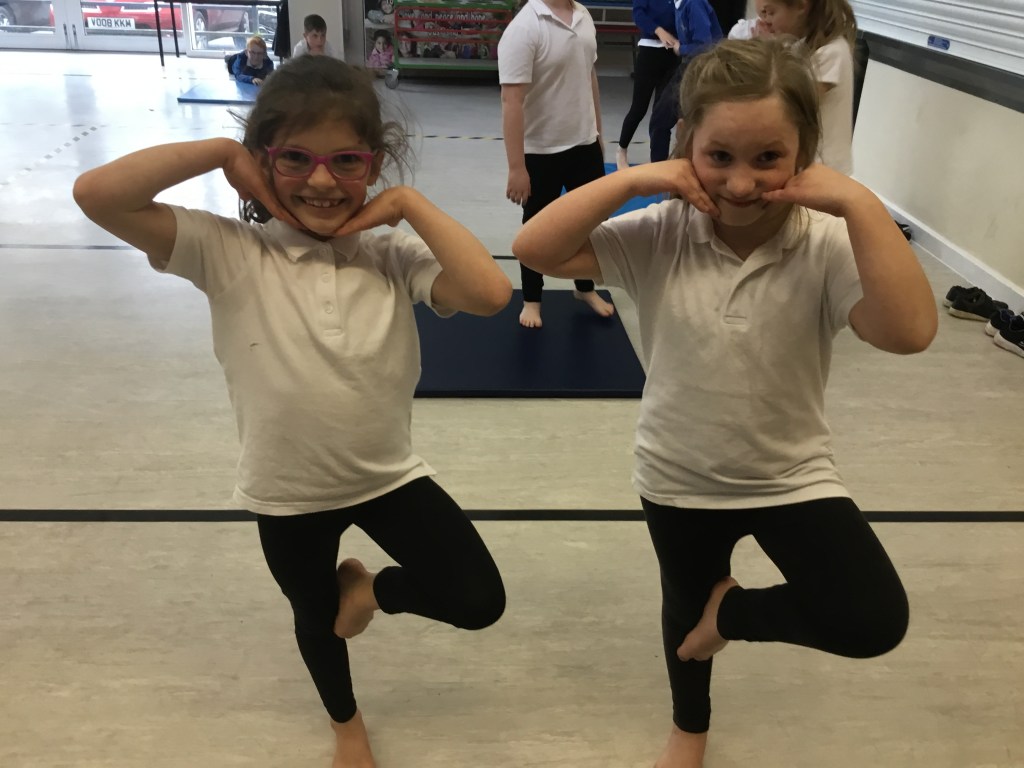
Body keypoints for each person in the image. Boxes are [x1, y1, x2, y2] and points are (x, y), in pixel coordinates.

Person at [72, 56, 511, 768]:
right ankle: (346, 725)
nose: (321, 181)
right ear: (263, 162)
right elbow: (97, 193)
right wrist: (223, 153)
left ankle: (369, 590)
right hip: (289, 492)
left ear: (373, 164)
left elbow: (491, 294)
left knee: (477, 598)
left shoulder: (390, 256)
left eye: (347, 161)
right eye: (295, 159)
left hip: (386, 476)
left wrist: (406, 204)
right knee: (315, 615)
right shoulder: (228, 251)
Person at [512, 39, 937, 768]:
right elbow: (535, 247)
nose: (741, 183)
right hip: (680, 475)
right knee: (683, 606)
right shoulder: (661, 233)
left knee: (871, 617)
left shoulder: (827, 243)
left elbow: (909, 332)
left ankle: (729, 613)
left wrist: (857, 201)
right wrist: (638, 178)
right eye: (719, 157)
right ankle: (690, 728)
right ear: (688, 148)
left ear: (805, 153)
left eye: (768, 158)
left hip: (791, 476)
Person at [498, 0, 616, 329]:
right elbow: (511, 100)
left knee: (590, 223)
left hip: (584, 143)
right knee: (536, 228)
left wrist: (597, 132)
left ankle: (584, 288)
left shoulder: (583, 15)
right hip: (541, 151)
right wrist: (516, 167)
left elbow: (589, 77)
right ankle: (532, 299)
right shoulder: (525, 27)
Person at [755, 0, 857, 174]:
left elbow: (791, 106)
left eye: (770, 13)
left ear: (801, 6)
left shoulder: (832, 52)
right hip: (808, 164)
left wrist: (765, 51)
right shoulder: (799, 47)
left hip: (823, 167)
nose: (766, 22)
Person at [646, 0, 722, 162]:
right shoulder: (679, 5)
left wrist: (681, 48)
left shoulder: (693, 4)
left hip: (704, 68)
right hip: (692, 65)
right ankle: (664, 168)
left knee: (668, 121)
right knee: (663, 121)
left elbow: (706, 46)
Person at [614, 0, 680, 170]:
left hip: (674, 55)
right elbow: (639, 14)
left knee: (662, 112)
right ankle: (621, 149)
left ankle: (658, 160)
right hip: (649, 52)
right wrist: (659, 31)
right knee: (639, 108)